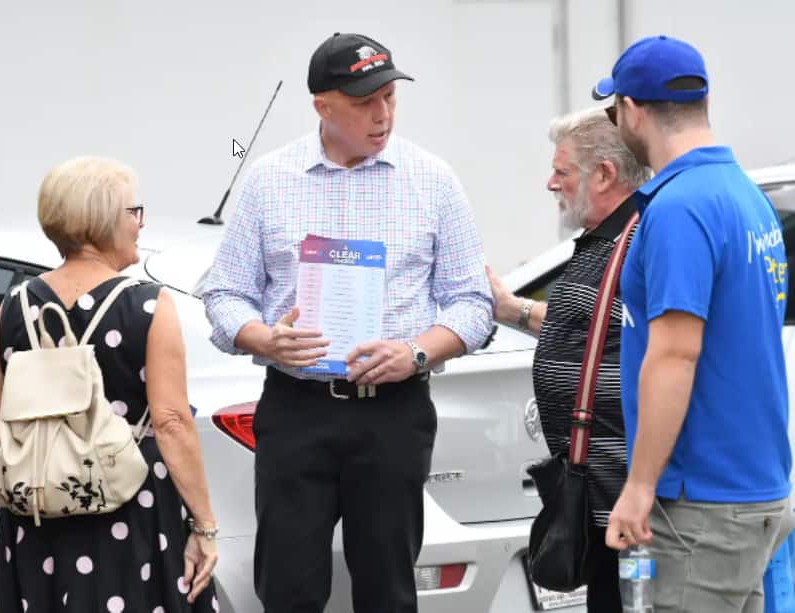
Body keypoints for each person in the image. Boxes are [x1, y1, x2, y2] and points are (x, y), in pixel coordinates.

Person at [202, 32, 492, 613]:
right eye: (364, 102)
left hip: (393, 411)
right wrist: (264, 338)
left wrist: (416, 352)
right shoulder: (268, 180)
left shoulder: (433, 180)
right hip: (297, 408)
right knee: (288, 583)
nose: (382, 115)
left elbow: (473, 304)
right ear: (322, 106)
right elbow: (223, 293)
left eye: (389, 97)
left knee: (387, 586)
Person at [0, 156, 219, 612]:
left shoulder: (14, 307)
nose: (140, 224)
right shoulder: (147, 305)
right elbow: (171, 421)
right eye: (132, 211)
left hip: (39, 517)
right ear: (101, 220)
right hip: (130, 510)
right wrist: (204, 526)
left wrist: (52, 430)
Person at [595, 36, 791, 612]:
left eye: (613, 111)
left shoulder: (681, 207)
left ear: (631, 110)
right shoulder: (743, 194)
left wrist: (638, 487)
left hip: (699, 499)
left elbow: (676, 354)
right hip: (751, 485)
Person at [488, 107, 649, 611]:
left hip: (625, 495)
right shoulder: (603, 239)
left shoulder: (642, 240)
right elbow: (588, 323)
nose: (550, 183)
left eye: (563, 172)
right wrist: (512, 309)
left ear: (605, 174)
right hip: (598, 494)